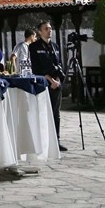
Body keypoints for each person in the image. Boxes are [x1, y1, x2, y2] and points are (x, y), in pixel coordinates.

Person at [29, 20, 66, 152]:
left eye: (50, 28)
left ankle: (56, 140)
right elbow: (37, 68)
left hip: (56, 84)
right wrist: (50, 80)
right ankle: (43, 142)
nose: (49, 30)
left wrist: (58, 81)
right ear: (40, 32)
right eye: (46, 29)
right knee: (43, 113)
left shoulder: (55, 46)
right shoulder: (34, 47)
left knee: (56, 113)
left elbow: (59, 64)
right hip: (44, 84)